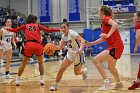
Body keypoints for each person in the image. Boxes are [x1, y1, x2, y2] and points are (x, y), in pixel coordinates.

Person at [6, 14, 60, 86]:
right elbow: (48, 30)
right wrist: (59, 29)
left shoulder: (26, 26)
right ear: (34, 20)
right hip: (37, 45)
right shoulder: (38, 26)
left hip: (29, 44)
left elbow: (15, 30)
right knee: (40, 63)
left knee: (23, 64)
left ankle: (18, 80)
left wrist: (7, 28)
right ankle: (41, 80)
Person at [85, 6, 124, 90]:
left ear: (102, 11)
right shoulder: (104, 23)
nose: (98, 13)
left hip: (115, 45)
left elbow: (115, 25)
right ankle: (119, 83)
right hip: (118, 46)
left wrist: (108, 35)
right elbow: (103, 38)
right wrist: (91, 43)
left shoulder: (106, 18)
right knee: (111, 67)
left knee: (96, 60)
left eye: (99, 11)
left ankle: (106, 84)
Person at [49, 20, 87, 91]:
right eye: (62, 28)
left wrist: (81, 48)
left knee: (76, 73)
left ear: (68, 27)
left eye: (64, 27)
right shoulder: (63, 36)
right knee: (61, 69)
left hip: (78, 55)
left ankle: (84, 71)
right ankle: (55, 85)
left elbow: (82, 40)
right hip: (70, 54)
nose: (63, 29)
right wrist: (52, 46)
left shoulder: (72, 33)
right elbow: (60, 47)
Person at [128, 11, 140, 90]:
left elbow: (138, 36)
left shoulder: (138, 24)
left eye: (134, 16)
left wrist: (136, 47)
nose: (133, 18)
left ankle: (137, 82)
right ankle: (137, 81)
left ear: (138, 17)